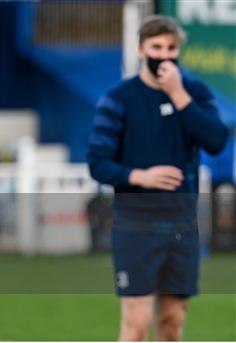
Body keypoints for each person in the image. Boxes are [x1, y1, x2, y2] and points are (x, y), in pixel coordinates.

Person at [88, 15, 228, 341]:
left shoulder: (193, 92)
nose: (164, 55)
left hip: (182, 226)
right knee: (136, 326)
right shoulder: (119, 98)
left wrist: (178, 95)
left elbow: (217, 140)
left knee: (172, 323)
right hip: (135, 225)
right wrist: (140, 176)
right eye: (156, 47)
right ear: (140, 49)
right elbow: (97, 162)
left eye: (171, 48)